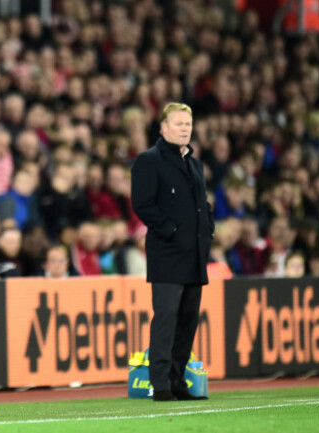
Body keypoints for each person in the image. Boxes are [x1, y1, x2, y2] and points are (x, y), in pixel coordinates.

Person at [131, 102, 214, 402]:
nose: (184, 129)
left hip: (194, 254)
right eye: (179, 124)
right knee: (166, 317)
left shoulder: (195, 164)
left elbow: (203, 203)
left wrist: (208, 229)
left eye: (188, 125)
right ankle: (161, 383)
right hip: (167, 253)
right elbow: (142, 204)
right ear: (163, 127)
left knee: (188, 318)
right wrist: (172, 232)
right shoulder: (148, 161)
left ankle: (178, 381)